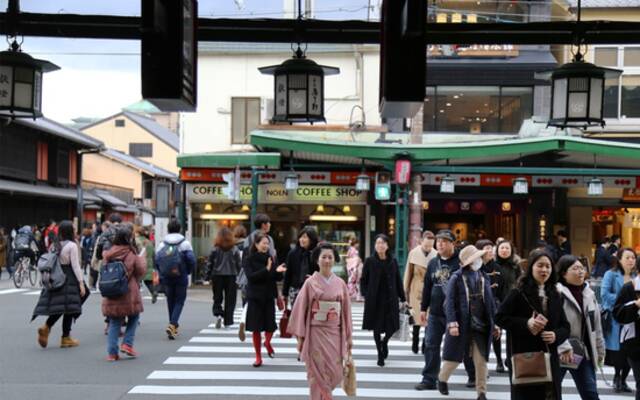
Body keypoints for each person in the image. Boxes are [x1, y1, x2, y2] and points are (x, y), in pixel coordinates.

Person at [495, 249, 571, 400]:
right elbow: (500, 317)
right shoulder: (518, 292)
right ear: (531, 268)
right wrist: (526, 323)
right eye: (540, 265)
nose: (544, 270)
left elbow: (565, 326)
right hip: (525, 357)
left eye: (548, 266)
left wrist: (556, 335)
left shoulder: (555, 294)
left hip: (550, 357)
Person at [288, 242, 353, 400]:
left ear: (334, 260)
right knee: (316, 374)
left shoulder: (340, 284)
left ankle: (326, 395)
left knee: (335, 372)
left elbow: (346, 313)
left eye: (330, 257)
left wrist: (348, 338)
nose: (327, 260)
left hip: (334, 332)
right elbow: (300, 310)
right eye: (323, 257)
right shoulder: (310, 283)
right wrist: (300, 338)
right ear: (317, 260)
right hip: (315, 332)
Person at [437, 245, 499, 400]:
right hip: (461, 323)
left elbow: (490, 302)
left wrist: (495, 323)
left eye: (479, 257)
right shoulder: (456, 277)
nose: (478, 260)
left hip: (481, 325)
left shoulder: (484, 276)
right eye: (475, 258)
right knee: (454, 358)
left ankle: (481, 392)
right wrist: (452, 323)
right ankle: (442, 379)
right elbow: (449, 302)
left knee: (481, 360)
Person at [416, 229, 475, 390]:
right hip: (435, 312)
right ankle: (429, 379)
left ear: (453, 244)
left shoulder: (461, 262)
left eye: (444, 241)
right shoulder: (433, 263)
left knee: (463, 344)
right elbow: (427, 286)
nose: (440, 244)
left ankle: (473, 375)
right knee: (430, 344)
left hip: (457, 313)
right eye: (438, 241)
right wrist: (423, 308)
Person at [555, 255, 605, 400]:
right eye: (575, 268)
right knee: (552, 392)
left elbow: (596, 325)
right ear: (564, 273)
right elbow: (553, 323)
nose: (580, 272)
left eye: (582, 268)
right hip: (560, 351)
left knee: (591, 394)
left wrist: (600, 349)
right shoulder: (557, 293)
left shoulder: (589, 293)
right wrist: (563, 345)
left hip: (582, 353)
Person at [32, 220, 88, 349]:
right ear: (70, 231)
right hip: (68, 277)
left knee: (60, 306)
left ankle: (47, 327)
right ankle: (65, 337)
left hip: (56, 277)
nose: (75, 231)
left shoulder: (54, 244)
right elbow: (75, 265)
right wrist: (81, 283)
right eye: (73, 229)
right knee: (69, 308)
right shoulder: (72, 246)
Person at [101, 224, 146, 361]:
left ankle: (112, 353)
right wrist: (141, 258)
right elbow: (140, 271)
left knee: (115, 321)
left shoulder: (108, 254)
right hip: (128, 291)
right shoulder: (130, 253)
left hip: (112, 290)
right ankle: (127, 344)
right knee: (134, 316)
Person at [360, 233, 406, 367]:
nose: (380, 245)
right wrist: (365, 294)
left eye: (383, 243)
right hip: (375, 299)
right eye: (377, 243)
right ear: (375, 246)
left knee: (392, 326)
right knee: (377, 326)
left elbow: (398, 279)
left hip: (390, 299)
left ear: (387, 245)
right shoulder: (370, 261)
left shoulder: (393, 261)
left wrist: (403, 298)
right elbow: (363, 280)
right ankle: (380, 354)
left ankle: (384, 342)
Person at [243, 232, 286, 367]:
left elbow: (276, 278)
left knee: (270, 326)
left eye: (268, 243)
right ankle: (258, 356)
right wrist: (267, 269)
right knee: (256, 328)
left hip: (269, 296)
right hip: (255, 296)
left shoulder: (271, 257)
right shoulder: (249, 259)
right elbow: (251, 277)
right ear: (256, 244)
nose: (266, 246)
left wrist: (279, 272)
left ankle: (267, 342)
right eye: (263, 243)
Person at [601, 247, 636, 393]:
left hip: (633, 319)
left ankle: (623, 380)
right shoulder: (611, 274)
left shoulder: (636, 276)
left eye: (633, 258)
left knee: (630, 350)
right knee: (618, 351)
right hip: (617, 318)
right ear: (620, 259)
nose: (630, 260)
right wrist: (624, 300)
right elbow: (604, 294)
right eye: (627, 257)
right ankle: (616, 377)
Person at [155, 218, 196, 340]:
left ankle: (173, 326)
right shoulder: (184, 243)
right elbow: (191, 260)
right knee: (179, 301)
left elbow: (157, 260)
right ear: (180, 229)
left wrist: (161, 272)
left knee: (170, 300)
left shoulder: (162, 244)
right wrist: (187, 271)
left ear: (168, 229)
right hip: (181, 276)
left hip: (166, 276)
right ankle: (172, 324)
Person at [404, 230, 437, 354]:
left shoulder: (436, 254)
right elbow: (408, 272)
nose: (428, 248)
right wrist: (405, 290)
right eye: (426, 245)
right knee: (417, 316)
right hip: (416, 287)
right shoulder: (414, 253)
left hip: (431, 288)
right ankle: (415, 341)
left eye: (431, 245)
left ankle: (425, 343)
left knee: (429, 318)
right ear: (421, 242)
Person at [613, 252, 640, 400]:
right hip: (635, 344)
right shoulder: (630, 288)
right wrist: (635, 305)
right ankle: (619, 379)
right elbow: (617, 314)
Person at [477, 239, 506, 373]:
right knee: (481, 335)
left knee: (496, 333)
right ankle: (482, 365)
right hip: (478, 304)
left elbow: (502, 288)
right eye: (486, 248)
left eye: (491, 248)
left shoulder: (497, 267)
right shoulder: (475, 266)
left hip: (494, 303)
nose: (490, 251)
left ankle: (499, 361)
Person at [208, 227, 242, 329]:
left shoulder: (215, 249)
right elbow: (239, 264)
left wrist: (207, 276)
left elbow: (209, 263)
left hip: (217, 276)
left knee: (217, 297)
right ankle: (228, 322)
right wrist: (240, 277)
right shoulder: (234, 249)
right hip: (231, 276)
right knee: (230, 299)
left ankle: (218, 314)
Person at [282, 227, 319, 308]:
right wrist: (284, 293)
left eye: (305, 237)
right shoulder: (293, 253)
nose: (301, 239)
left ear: (312, 239)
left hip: (313, 289)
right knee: (296, 315)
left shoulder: (317, 253)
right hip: (295, 289)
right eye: (300, 237)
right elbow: (288, 274)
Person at [135, 226, 157, 303]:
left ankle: (135, 297)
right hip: (149, 263)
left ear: (138, 233)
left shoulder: (136, 241)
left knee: (136, 280)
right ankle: (153, 292)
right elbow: (154, 254)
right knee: (148, 281)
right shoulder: (149, 242)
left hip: (139, 262)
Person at [346, 237, 364, 302]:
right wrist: (359, 260)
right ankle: (356, 296)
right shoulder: (354, 250)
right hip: (354, 268)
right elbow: (356, 259)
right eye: (357, 243)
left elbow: (348, 258)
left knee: (352, 281)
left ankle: (354, 295)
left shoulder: (349, 250)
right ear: (355, 244)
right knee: (356, 282)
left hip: (350, 268)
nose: (358, 245)